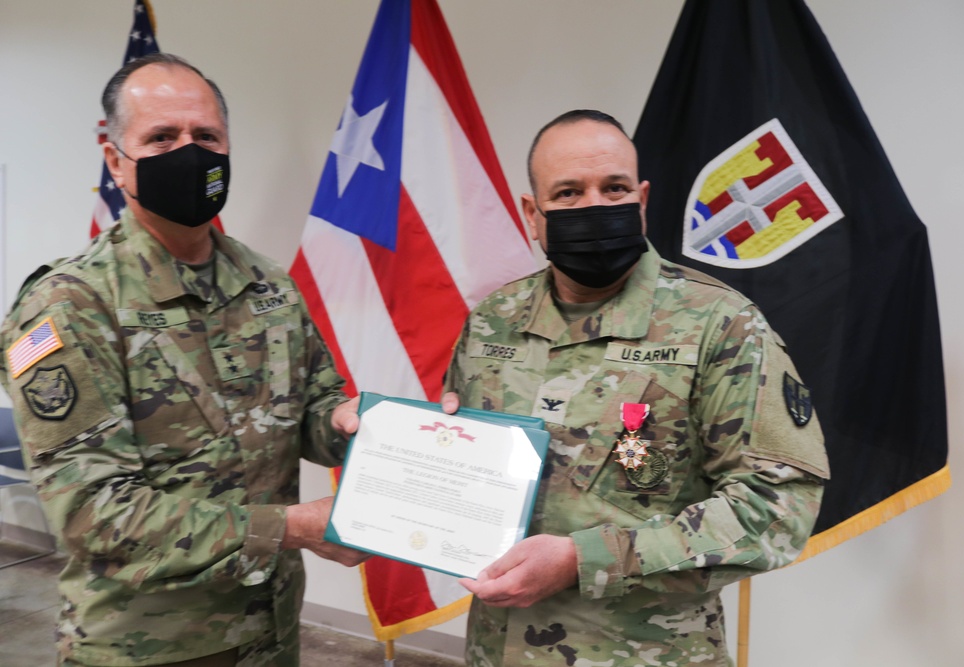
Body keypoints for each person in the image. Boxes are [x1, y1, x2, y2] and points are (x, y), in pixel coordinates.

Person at [0, 54, 368, 666]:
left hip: (270, 631)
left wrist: (356, 426)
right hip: (148, 645)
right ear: (116, 159)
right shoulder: (69, 305)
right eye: (162, 138)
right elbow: (94, 513)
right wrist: (296, 527)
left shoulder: (267, 281)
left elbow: (310, 410)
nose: (188, 152)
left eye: (205, 136)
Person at [445, 110, 831, 666]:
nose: (596, 207)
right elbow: (465, 469)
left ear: (642, 199)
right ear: (533, 213)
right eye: (570, 193)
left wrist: (589, 558)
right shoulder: (493, 322)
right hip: (498, 649)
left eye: (615, 188)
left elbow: (777, 506)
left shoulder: (720, 322)